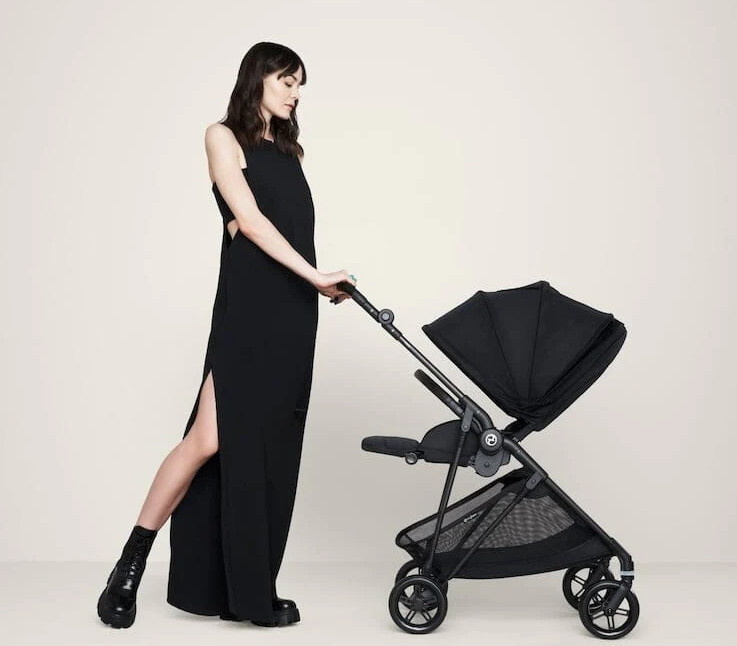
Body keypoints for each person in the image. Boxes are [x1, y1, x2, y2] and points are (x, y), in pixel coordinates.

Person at [97, 42, 357, 629]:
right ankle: (129, 565)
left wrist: (314, 284)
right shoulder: (222, 136)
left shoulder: (288, 152)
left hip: (293, 311)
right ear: (258, 78)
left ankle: (246, 590)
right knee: (208, 440)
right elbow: (251, 222)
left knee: (266, 448)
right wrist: (316, 275)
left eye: (300, 85)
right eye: (287, 81)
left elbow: (281, 227)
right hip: (251, 305)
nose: (295, 93)